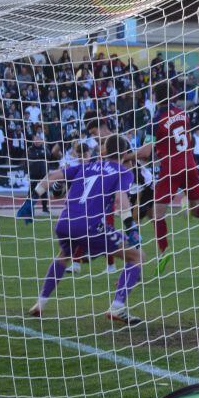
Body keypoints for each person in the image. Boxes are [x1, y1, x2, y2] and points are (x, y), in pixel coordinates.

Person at [27, 136, 144, 325]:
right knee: (137, 256)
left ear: (104, 151)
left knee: (63, 256)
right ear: (124, 154)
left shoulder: (86, 166)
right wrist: (131, 225)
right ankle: (117, 307)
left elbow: (52, 177)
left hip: (64, 223)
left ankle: (40, 303)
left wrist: (32, 199)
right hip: (89, 226)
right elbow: (120, 200)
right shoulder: (124, 172)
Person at [134, 81, 199, 275]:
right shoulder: (183, 114)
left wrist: (126, 156)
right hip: (189, 165)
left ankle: (164, 251)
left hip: (171, 169)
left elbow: (146, 152)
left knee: (157, 213)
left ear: (155, 97)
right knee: (196, 212)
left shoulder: (155, 120)